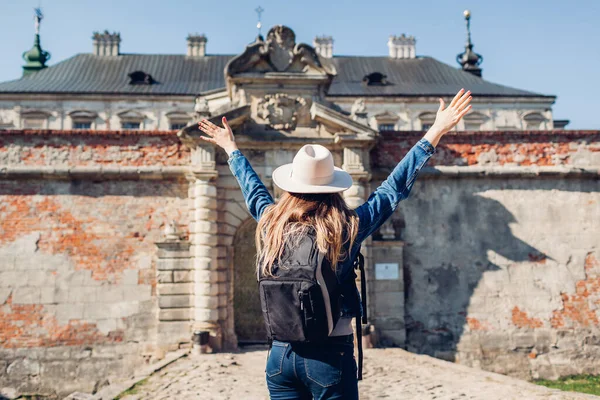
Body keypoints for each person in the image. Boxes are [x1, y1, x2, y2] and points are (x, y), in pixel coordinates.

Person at [198, 89, 472, 400]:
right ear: (334, 187)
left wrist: (231, 148)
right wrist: (435, 131)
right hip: (329, 356)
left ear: (290, 186)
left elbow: (254, 191)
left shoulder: (272, 222)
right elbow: (392, 190)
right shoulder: (347, 227)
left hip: (279, 358)